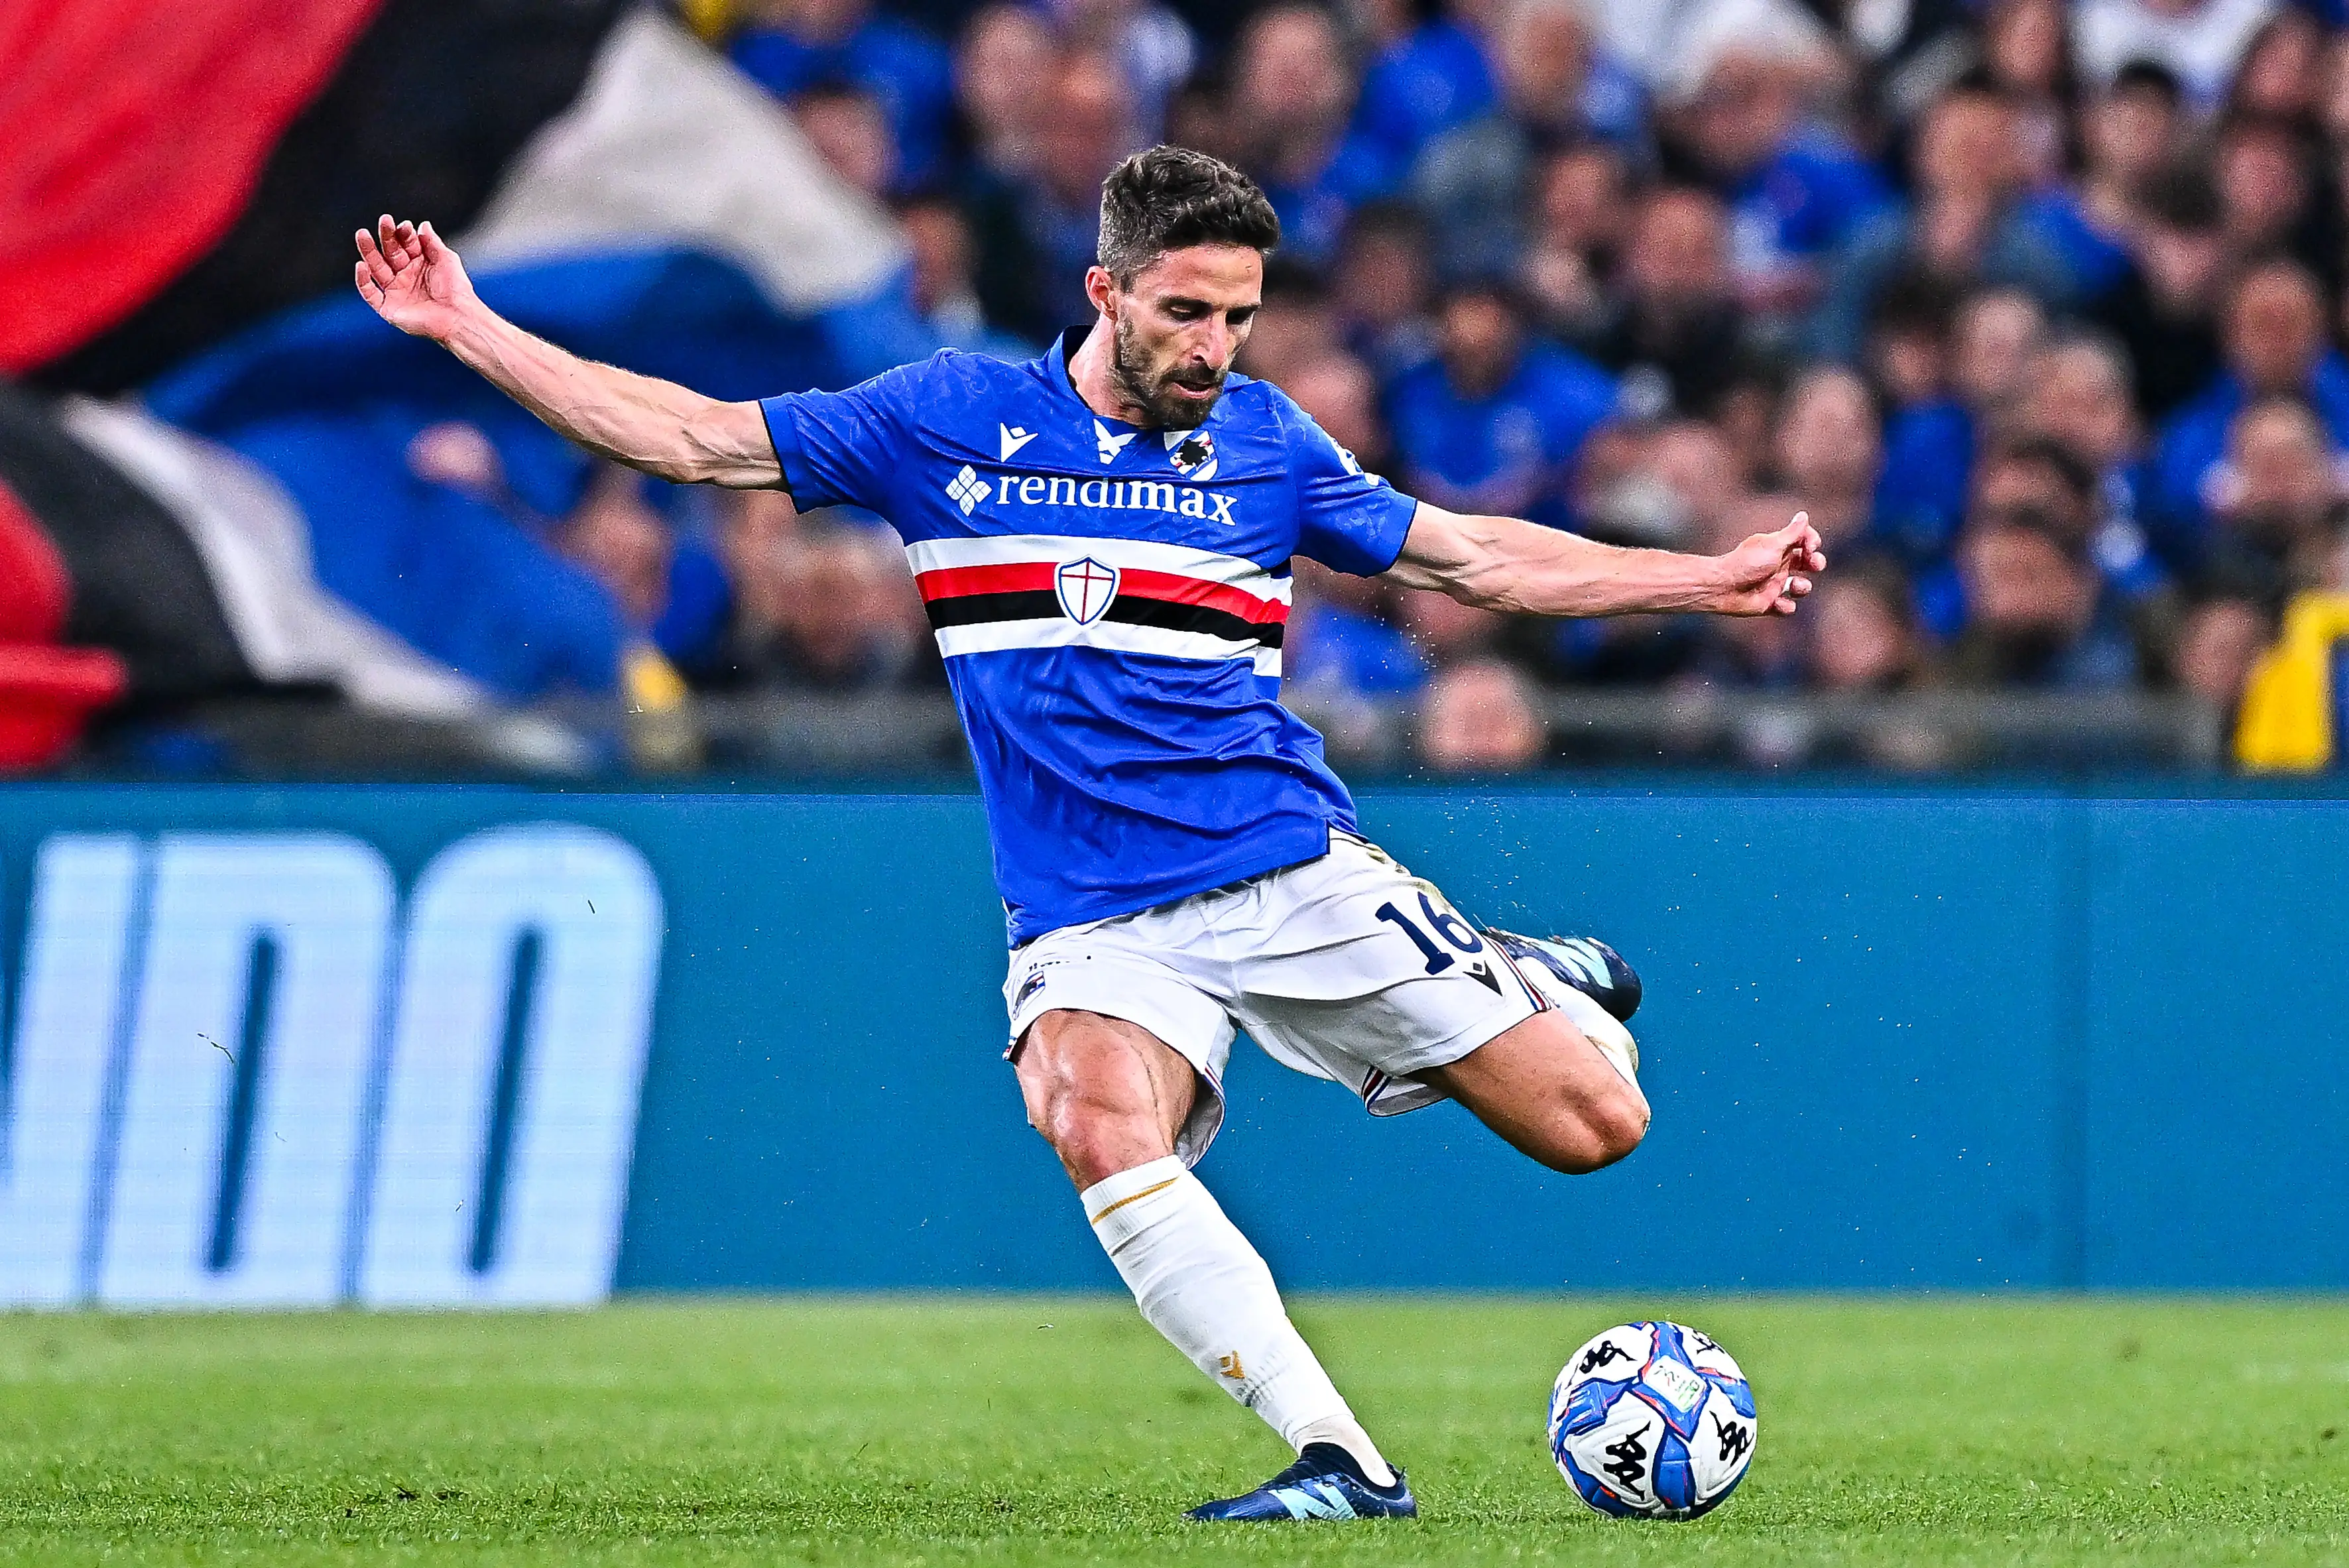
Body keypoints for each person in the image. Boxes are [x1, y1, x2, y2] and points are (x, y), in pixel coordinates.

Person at [351, 147, 1823, 1522]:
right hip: (1091, 915)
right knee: (1089, 1113)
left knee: (1595, 1129)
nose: (1215, 347)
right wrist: (471, 327)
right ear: (1104, 292)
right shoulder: (945, 420)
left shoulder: (1268, 442)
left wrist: (1705, 580)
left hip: (1286, 871)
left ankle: (1525, 978)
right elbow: (692, 439)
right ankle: (1342, 1462)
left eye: (1239, 317)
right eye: (1186, 313)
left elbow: (1477, 557)